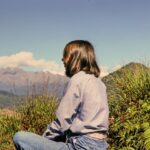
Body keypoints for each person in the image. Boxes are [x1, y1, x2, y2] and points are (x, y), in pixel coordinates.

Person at [13, 40, 109, 150]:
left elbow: (62, 121)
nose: (62, 59)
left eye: (65, 55)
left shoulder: (77, 80)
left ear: (76, 59)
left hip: (80, 146)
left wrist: (44, 140)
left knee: (20, 137)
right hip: (100, 145)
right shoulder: (99, 82)